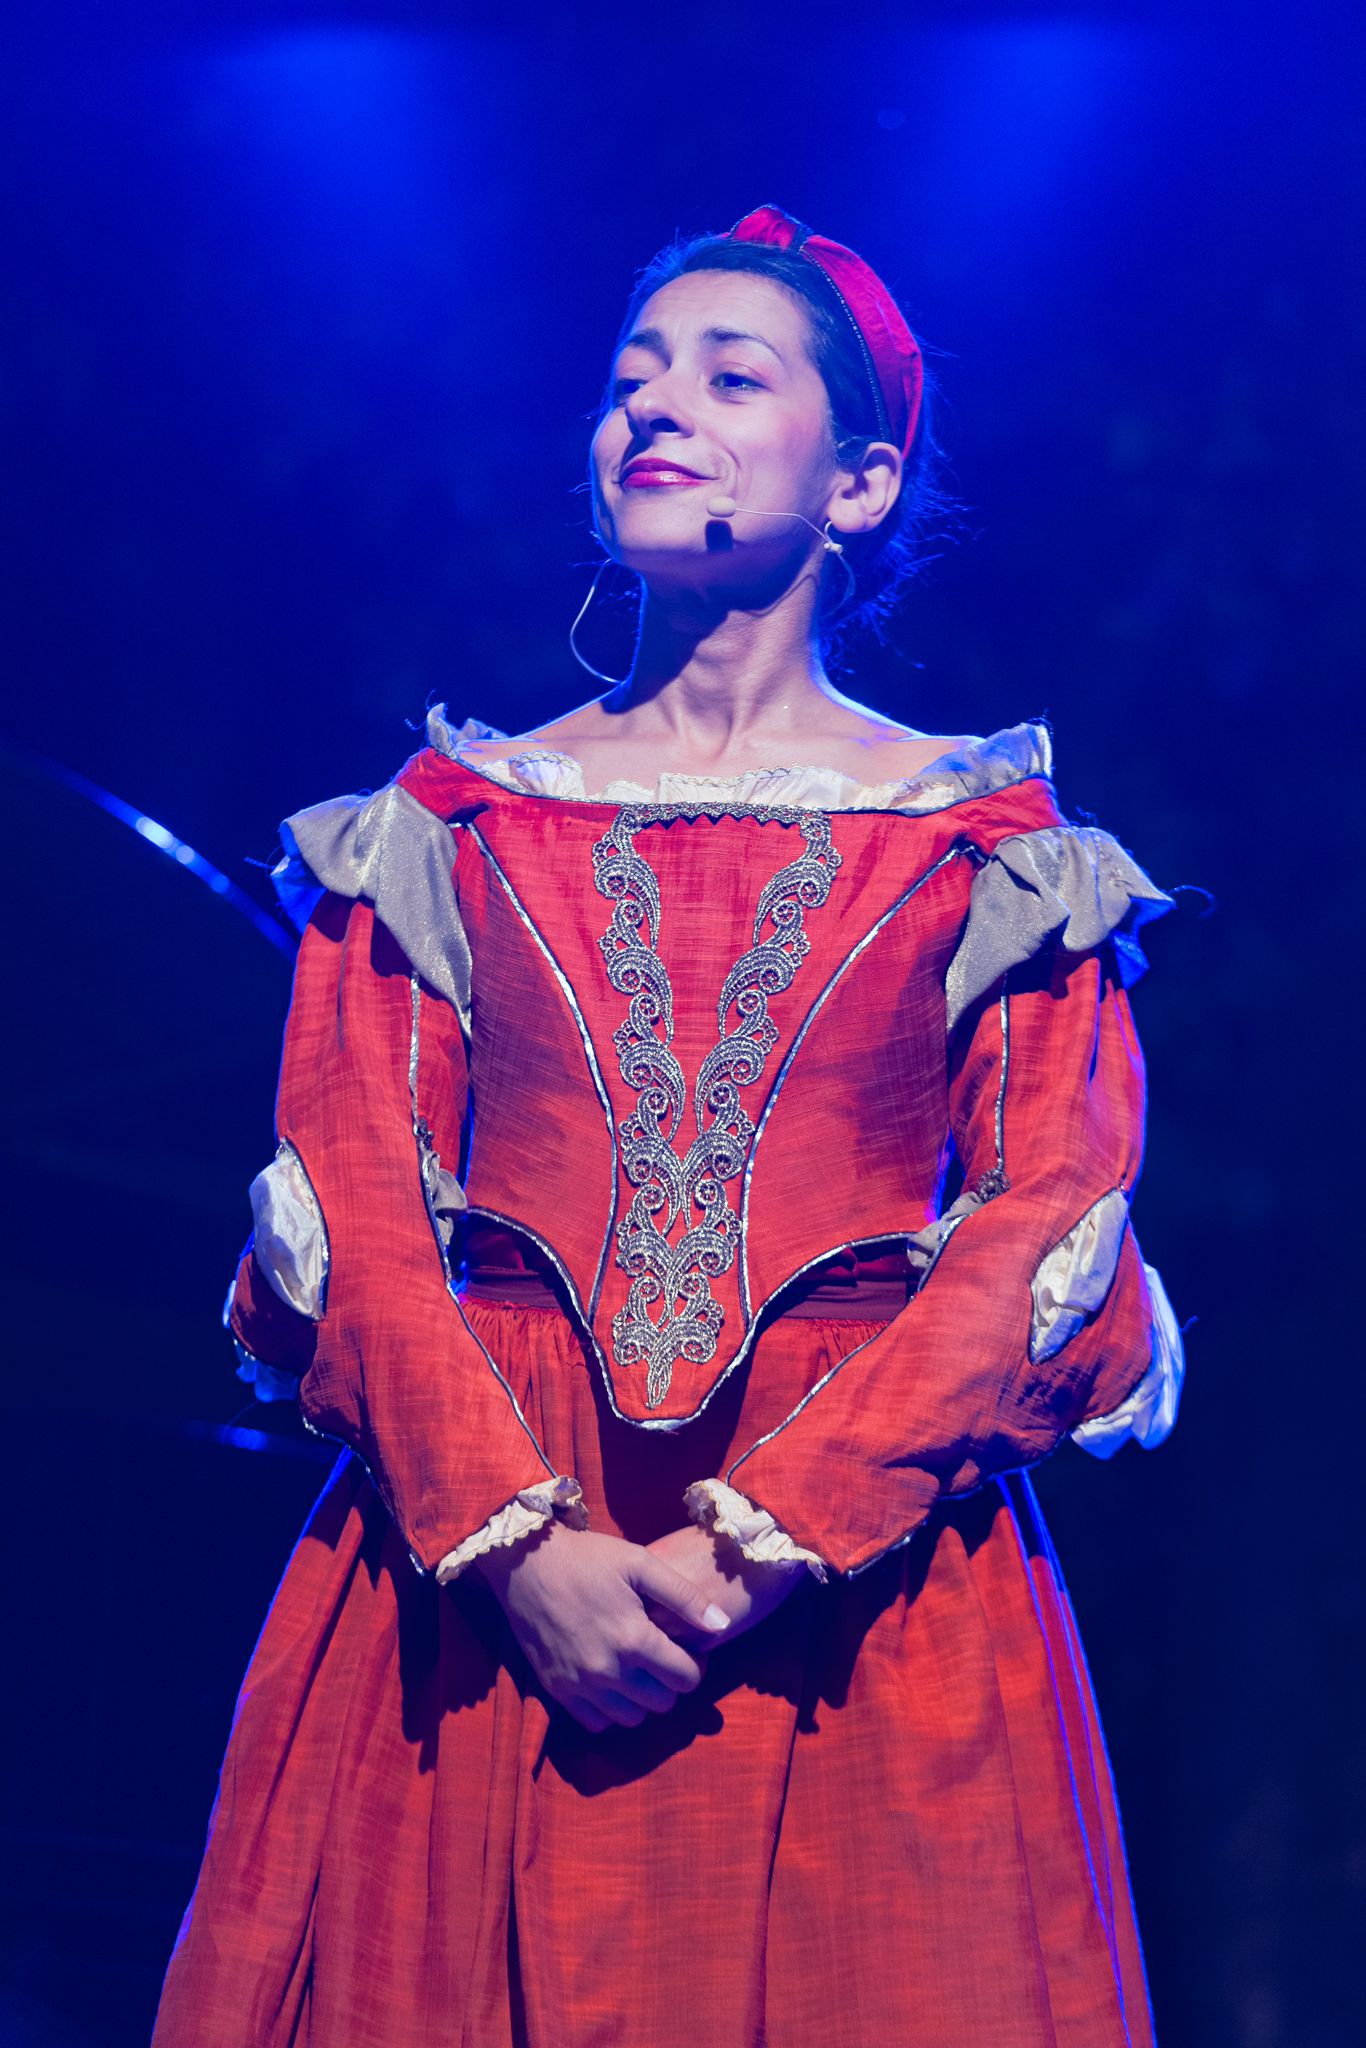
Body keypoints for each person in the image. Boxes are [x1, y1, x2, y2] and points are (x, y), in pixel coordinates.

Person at [152, 204, 1185, 2047]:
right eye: (632, 375)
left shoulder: (989, 851)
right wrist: (517, 1549)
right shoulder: (448, 822)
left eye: (729, 375)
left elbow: (1049, 1214)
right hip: (475, 1578)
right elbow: (354, 1202)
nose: (655, 405)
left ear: (859, 482)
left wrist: (756, 1546)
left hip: (852, 1587)